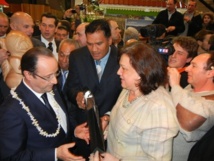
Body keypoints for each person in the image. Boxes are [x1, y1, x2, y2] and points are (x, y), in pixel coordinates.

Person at [0, 47, 88, 161]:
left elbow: (57, 119)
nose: (55, 81)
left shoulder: (51, 87)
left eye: (56, 73)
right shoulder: (11, 111)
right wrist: (55, 154)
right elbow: (11, 157)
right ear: (28, 75)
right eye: (48, 77)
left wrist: (73, 131)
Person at [106, 42, 178, 160]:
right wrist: (107, 122)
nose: (118, 72)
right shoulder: (130, 88)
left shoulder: (159, 108)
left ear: (141, 72)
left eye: (124, 68)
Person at [65, 19, 122, 159]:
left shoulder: (122, 58)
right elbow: (69, 88)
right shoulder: (77, 56)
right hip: (84, 131)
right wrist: (76, 95)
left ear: (109, 40)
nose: (94, 49)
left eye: (99, 43)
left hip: (113, 131)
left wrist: (109, 117)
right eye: (90, 44)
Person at [167, 52, 214, 161]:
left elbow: (188, 122)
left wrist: (175, 85)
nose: (187, 69)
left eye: (194, 66)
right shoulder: (189, 88)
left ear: (210, 73)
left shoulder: (212, 102)